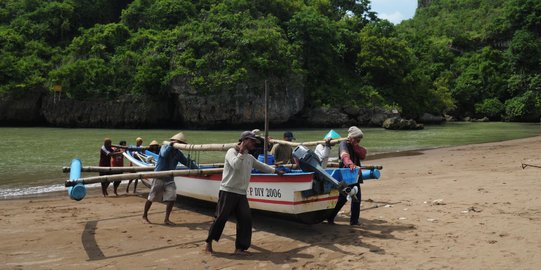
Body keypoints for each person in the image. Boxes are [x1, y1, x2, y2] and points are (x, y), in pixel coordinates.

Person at [205, 131, 285, 255]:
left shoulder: (249, 157)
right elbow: (236, 165)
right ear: (244, 140)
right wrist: (241, 152)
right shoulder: (231, 152)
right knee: (221, 218)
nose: (254, 143)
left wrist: (275, 171)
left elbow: (261, 166)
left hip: (241, 193)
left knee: (245, 219)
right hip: (228, 191)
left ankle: (240, 248)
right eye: (252, 141)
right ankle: (208, 242)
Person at [142, 132, 199, 225]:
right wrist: (171, 146)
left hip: (169, 178)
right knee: (152, 197)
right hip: (159, 176)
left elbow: (187, 162)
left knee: (172, 197)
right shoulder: (164, 147)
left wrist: (198, 169)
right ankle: (144, 215)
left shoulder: (178, 154)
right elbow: (164, 154)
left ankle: (166, 219)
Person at [326, 126, 367, 225]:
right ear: (352, 137)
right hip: (345, 176)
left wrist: (356, 146)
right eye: (357, 139)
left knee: (356, 198)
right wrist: (350, 164)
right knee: (342, 198)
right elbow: (344, 156)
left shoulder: (355, 146)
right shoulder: (343, 143)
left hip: (355, 175)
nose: (358, 141)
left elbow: (363, 155)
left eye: (359, 140)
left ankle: (354, 221)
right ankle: (330, 217)